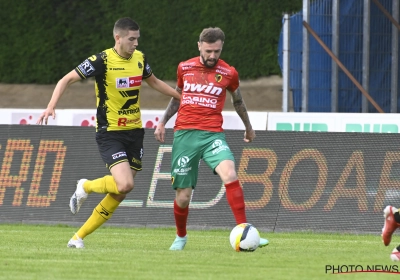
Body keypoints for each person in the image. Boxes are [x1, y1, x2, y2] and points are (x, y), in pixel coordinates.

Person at [37, 17, 181, 248]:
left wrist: (179, 97)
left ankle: (77, 238)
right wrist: (51, 105)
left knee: (120, 192)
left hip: (135, 132)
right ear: (118, 38)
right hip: (110, 132)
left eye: (137, 39)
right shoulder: (101, 60)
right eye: (131, 39)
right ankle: (85, 186)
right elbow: (67, 79)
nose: (135, 43)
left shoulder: (140, 59)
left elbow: (153, 82)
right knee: (124, 185)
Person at [154, 27, 269, 250]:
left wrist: (249, 127)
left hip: (212, 135)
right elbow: (177, 97)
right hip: (185, 135)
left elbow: (238, 101)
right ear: (199, 46)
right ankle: (181, 237)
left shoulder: (229, 73)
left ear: (221, 47)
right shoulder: (184, 68)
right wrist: (162, 122)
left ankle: (245, 230)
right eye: (208, 51)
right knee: (184, 196)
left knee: (230, 173)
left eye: (216, 51)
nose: (212, 56)